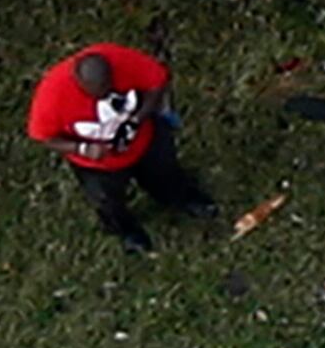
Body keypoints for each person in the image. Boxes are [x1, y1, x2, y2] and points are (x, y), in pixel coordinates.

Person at [25, 42, 216, 252]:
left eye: (108, 88)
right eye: (97, 94)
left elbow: (157, 82)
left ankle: (183, 199)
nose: (106, 96)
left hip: (145, 140)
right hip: (97, 164)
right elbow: (45, 137)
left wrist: (137, 119)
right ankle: (128, 232)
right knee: (108, 201)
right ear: (79, 83)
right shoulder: (52, 95)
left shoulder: (119, 59)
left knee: (166, 173)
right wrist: (82, 149)